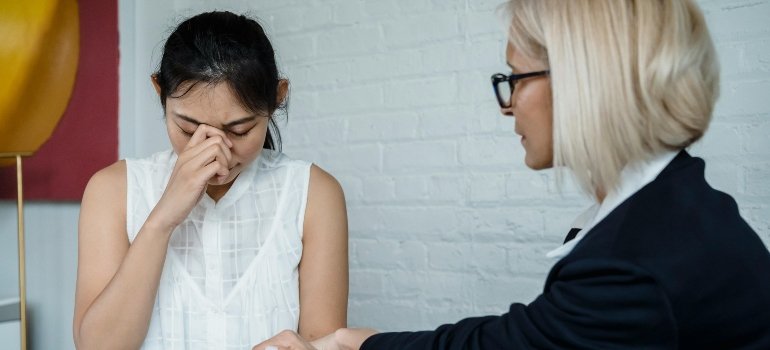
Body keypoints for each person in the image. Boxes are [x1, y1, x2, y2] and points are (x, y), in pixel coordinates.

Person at [253, 0, 770, 349]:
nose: (508, 106)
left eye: (515, 78)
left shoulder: (636, 260)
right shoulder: (675, 207)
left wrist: (357, 345)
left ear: (583, 80)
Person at [73, 11, 348, 349]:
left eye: (240, 130)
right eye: (189, 130)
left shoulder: (313, 193)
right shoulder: (113, 189)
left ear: (277, 97)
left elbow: (322, 342)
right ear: (159, 89)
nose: (215, 153)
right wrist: (163, 218)